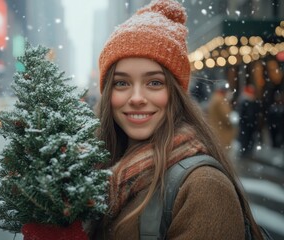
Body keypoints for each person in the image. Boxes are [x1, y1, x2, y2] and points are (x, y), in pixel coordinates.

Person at [90, 0, 263, 239]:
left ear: (176, 94)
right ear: (108, 93)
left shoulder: (204, 187)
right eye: (122, 83)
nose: (137, 98)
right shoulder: (99, 168)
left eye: (154, 82)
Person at [207, 81, 237, 154]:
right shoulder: (221, 100)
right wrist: (233, 119)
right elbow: (227, 118)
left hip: (216, 130)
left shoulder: (214, 97)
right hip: (222, 133)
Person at [237, 85, 261, 158]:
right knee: (247, 139)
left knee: (248, 139)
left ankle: (246, 152)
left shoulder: (249, 102)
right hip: (247, 125)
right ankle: (245, 152)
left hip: (248, 125)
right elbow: (248, 115)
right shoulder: (247, 102)